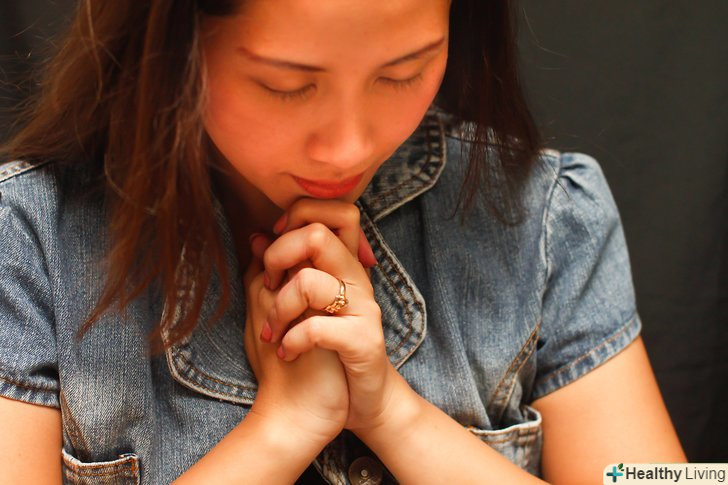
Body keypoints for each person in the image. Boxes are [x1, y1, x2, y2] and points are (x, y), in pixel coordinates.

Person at [0, 0, 686, 483]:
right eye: (288, 86)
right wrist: (280, 432)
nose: (349, 147)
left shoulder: (549, 214)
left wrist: (394, 415)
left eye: (403, 72)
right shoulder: (28, 240)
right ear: (172, 45)